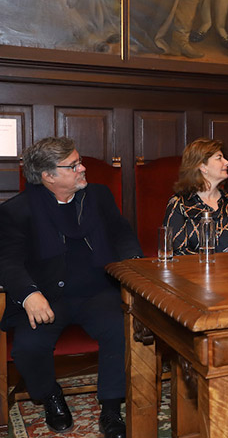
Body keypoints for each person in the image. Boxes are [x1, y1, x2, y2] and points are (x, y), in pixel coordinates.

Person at [0, 137, 142, 438]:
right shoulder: (17, 211)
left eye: (79, 161)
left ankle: (111, 405)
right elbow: (8, 261)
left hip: (98, 291)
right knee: (27, 347)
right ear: (49, 176)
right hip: (48, 296)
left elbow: (121, 232)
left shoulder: (99, 196)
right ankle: (51, 395)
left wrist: (133, 262)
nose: (83, 168)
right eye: (74, 165)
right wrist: (28, 294)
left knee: (121, 329)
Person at [164, 138, 228, 255]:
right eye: (219, 158)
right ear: (202, 166)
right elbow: (177, 252)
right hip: (192, 271)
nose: (227, 162)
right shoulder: (179, 204)